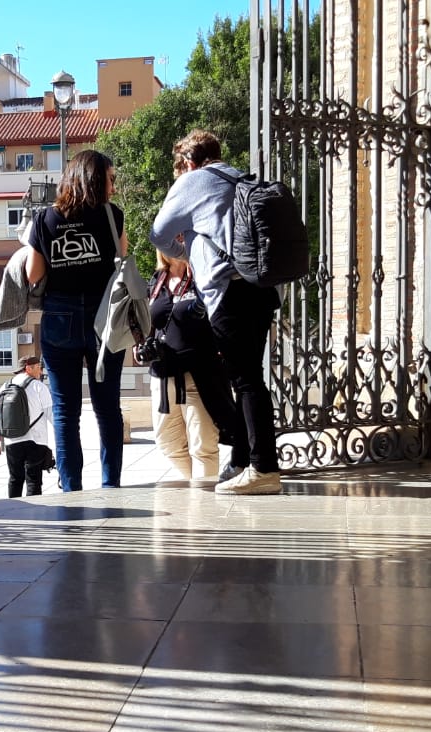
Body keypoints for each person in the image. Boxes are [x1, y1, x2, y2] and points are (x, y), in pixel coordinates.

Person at [149, 129, 285, 496]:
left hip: (228, 291)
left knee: (246, 380)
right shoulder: (240, 178)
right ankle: (241, 461)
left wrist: (186, 251)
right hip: (262, 288)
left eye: (180, 167)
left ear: (188, 162)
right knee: (248, 376)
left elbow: (158, 234)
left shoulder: (192, 181)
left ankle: (264, 468)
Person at [24, 149, 128, 492]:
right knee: (107, 408)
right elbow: (122, 260)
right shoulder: (112, 216)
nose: (113, 187)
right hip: (104, 318)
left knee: (66, 412)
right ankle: (111, 484)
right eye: (110, 179)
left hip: (59, 317)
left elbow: (33, 274)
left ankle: (71, 489)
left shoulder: (45, 219)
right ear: (96, 181)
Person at [143, 249, 226, 480]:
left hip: (199, 373)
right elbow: (151, 323)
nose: (176, 240)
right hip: (162, 375)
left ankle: (202, 497)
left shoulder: (202, 275)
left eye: (181, 235)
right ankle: (194, 488)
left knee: (203, 445)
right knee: (168, 443)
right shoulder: (157, 280)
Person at [0, 355, 54, 497]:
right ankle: (34, 509)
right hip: (36, 440)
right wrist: (63, 438)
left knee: (15, 479)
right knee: (33, 480)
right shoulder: (39, 386)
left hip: (12, 441)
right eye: (38, 368)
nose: (41, 372)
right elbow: (52, 414)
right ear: (28, 368)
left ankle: (14, 507)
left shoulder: (4, 387)